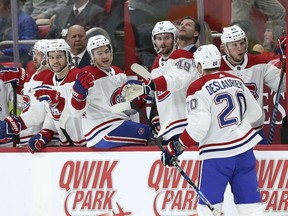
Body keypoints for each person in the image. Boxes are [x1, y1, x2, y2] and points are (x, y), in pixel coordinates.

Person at [161, 44, 265, 216]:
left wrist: (176, 148)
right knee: (251, 208)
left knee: (209, 209)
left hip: (217, 156)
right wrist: (235, 129)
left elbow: (198, 128)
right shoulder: (236, 80)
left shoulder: (197, 86)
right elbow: (256, 114)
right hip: (245, 153)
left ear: (200, 66)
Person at [121, 21, 199, 144]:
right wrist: (138, 94)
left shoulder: (183, 56)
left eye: (167, 38)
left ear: (175, 39)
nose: (163, 42)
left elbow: (176, 79)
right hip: (166, 130)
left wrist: (148, 86)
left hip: (185, 127)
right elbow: (158, 94)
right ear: (154, 41)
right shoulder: (157, 67)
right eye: (159, 38)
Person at [68, 35, 153, 148]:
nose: (105, 56)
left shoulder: (118, 72)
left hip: (120, 124)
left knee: (152, 130)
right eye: (99, 53)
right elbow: (75, 112)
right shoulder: (87, 75)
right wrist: (78, 93)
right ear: (92, 56)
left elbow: (128, 111)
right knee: (149, 133)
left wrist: (142, 94)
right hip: (101, 131)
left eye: (107, 51)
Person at [219, 25, 286, 144]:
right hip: (227, 136)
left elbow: (282, 86)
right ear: (225, 47)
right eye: (234, 45)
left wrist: (286, 58)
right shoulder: (216, 68)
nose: (239, 48)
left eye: (242, 43)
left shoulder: (259, 63)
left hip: (255, 133)